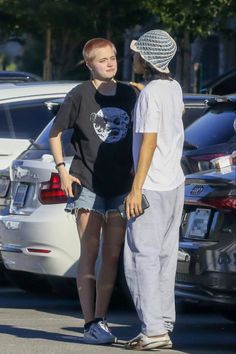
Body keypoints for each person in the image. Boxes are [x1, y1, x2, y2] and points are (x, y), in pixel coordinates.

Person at [49, 38, 137, 345]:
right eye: (102, 60)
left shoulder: (129, 94)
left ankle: (103, 319)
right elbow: (56, 134)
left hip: (121, 188)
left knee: (112, 256)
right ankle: (90, 322)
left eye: (113, 58)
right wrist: (62, 171)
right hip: (86, 184)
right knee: (90, 252)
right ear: (89, 64)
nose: (110, 63)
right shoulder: (79, 95)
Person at [123, 29, 185, 350]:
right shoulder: (173, 87)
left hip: (152, 186)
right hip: (175, 184)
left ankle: (154, 330)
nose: (132, 57)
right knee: (165, 257)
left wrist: (135, 189)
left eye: (136, 53)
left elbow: (149, 141)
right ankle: (163, 323)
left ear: (145, 59)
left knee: (140, 258)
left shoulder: (149, 94)